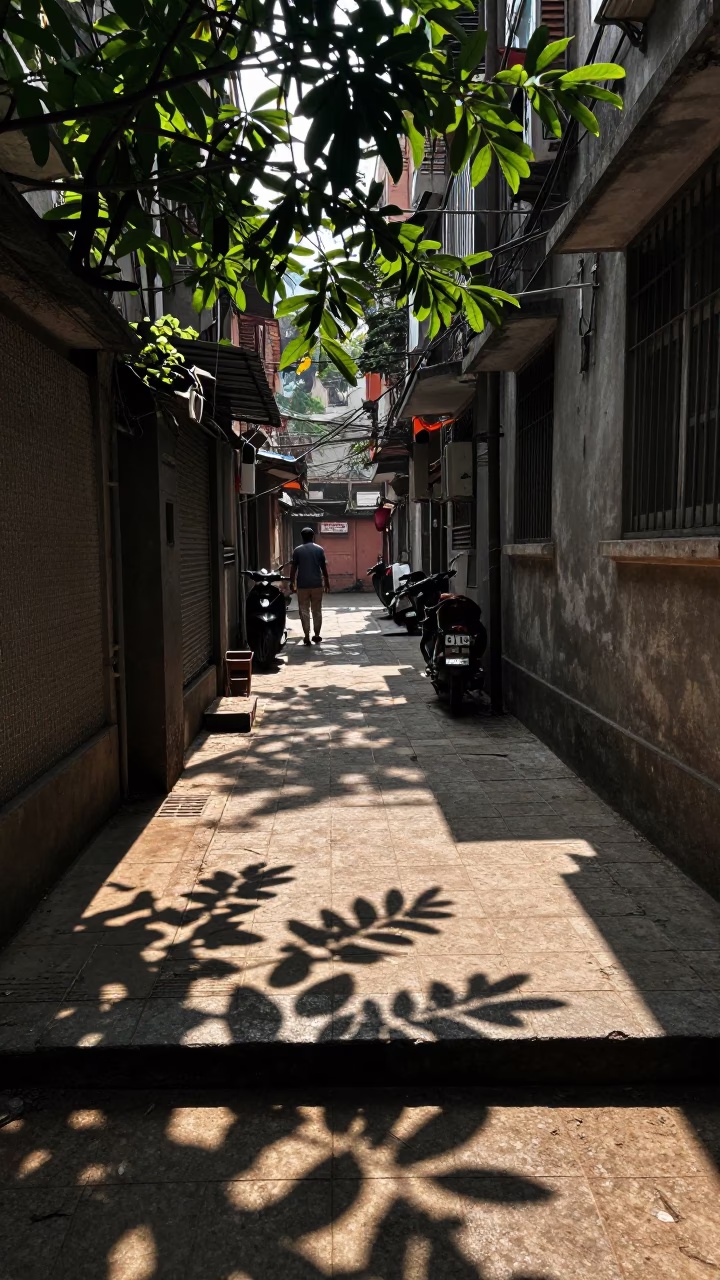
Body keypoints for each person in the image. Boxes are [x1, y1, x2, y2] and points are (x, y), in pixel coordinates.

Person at [290, 526, 330, 645]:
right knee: (317, 610)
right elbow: (323, 567)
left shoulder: (297, 550)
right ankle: (317, 634)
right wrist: (326, 582)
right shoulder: (319, 549)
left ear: (302, 537)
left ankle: (307, 636)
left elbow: (293, 569)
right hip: (317, 584)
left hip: (302, 585)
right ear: (313, 537)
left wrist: (292, 584)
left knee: (304, 610)